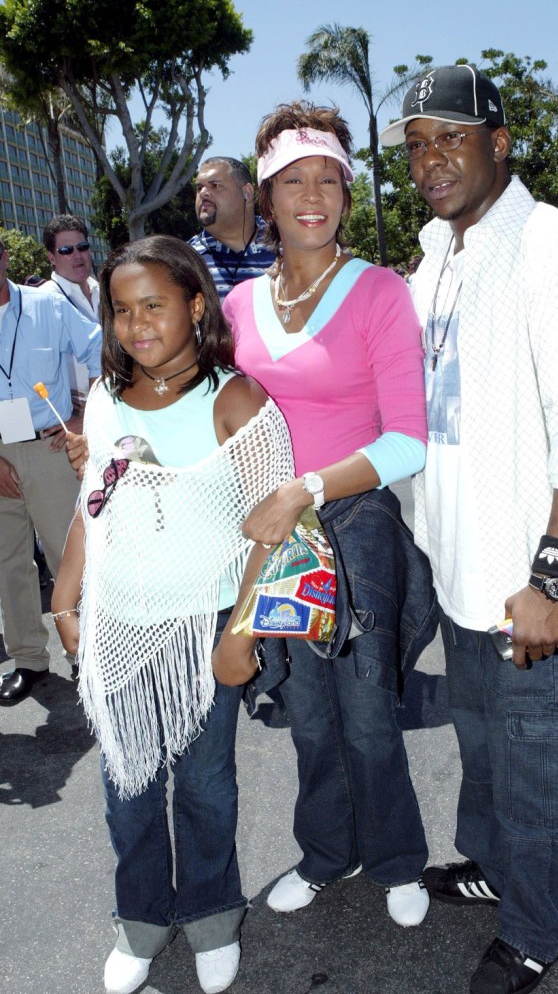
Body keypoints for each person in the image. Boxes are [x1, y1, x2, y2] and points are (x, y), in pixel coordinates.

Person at [380, 65, 558, 993]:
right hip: (464, 572)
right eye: (415, 144)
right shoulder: (441, 255)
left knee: (537, 767)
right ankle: (494, 869)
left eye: (449, 135)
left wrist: (552, 580)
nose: (430, 158)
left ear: (500, 141)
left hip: (528, 583)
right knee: (485, 751)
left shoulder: (553, 251)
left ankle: (537, 928)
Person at [52, 235, 294, 994]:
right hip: (119, 625)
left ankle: (214, 915)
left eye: (154, 304)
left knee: (204, 787)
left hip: (205, 625)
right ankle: (143, 921)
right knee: (126, 793)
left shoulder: (236, 400)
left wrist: (240, 634)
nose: (137, 324)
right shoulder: (104, 398)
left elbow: (274, 533)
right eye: (122, 310)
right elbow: (94, 509)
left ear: (195, 305)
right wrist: (66, 599)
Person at [219, 102, 438, 929]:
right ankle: (325, 852)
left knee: (370, 715)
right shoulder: (239, 307)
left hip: (352, 524)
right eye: (292, 181)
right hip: (277, 534)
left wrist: (305, 489)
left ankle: (395, 859)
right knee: (309, 716)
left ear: (347, 190)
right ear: (266, 196)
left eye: (328, 179)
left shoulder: (380, 292)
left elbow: (408, 441)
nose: (312, 195)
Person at [0, 236, 101, 705]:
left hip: (48, 448)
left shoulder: (48, 306)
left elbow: (106, 353)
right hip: (0, 453)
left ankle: (87, 651)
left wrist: (88, 415)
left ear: (3, 257)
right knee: (9, 564)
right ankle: (27, 660)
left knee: (67, 556)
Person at [188, 156, 276, 300]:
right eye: (199, 188)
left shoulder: (285, 245)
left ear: (247, 193)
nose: (203, 193)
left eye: (215, 185)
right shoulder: (186, 259)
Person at [42, 214, 100, 322]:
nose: (77, 255)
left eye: (82, 247)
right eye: (67, 250)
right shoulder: (44, 301)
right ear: (52, 258)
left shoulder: (105, 292)